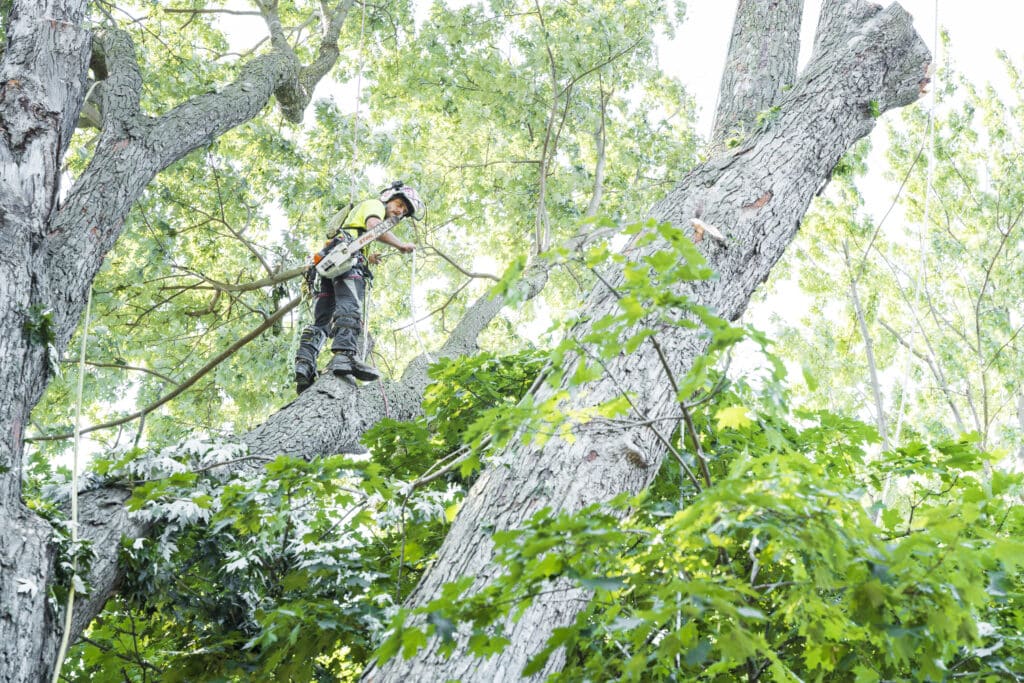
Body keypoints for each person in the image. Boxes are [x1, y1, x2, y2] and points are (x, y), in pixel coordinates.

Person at [294, 181, 423, 393]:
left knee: (322, 320)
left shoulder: (357, 227)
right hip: (346, 259)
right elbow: (374, 226)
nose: (400, 211)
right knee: (350, 306)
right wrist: (400, 245)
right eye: (399, 204)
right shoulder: (375, 206)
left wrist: (368, 256)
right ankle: (344, 357)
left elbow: (363, 235)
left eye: (404, 210)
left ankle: (304, 366)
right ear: (388, 198)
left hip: (331, 262)